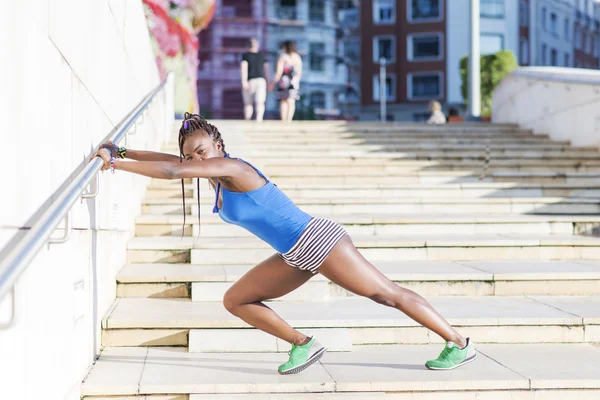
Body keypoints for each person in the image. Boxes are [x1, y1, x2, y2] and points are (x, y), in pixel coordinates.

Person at [93, 113, 477, 375]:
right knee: (236, 300)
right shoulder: (214, 173)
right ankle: (302, 343)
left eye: (202, 152)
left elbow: (173, 169)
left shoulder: (234, 168)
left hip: (319, 240)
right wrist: (123, 150)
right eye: (192, 154)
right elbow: (169, 160)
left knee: (385, 294)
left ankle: (458, 342)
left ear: (219, 145)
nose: (196, 159)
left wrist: (114, 164)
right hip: (294, 254)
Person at [270, 40, 302, 121]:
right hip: (294, 82)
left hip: (284, 82)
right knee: (291, 101)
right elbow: (299, 72)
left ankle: (284, 120)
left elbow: (278, 72)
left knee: (283, 101)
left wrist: (272, 84)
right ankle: (289, 120)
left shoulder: (283, 57)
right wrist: (296, 80)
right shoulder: (297, 57)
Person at [241, 38, 269, 122]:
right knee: (260, 102)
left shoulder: (246, 55)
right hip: (261, 81)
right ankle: (259, 120)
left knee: (248, 103)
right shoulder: (262, 56)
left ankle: (247, 120)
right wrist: (268, 82)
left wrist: (244, 81)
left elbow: (243, 68)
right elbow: (266, 70)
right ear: (257, 46)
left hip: (250, 81)